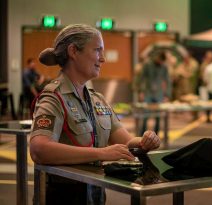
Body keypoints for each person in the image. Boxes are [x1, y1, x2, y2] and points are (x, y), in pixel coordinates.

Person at [29, 24, 161, 205]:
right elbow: (39, 149)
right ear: (73, 51)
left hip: (95, 192)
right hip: (63, 195)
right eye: (97, 50)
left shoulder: (97, 100)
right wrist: (101, 153)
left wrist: (145, 141)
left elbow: (125, 141)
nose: (103, 58)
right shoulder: (53, 97)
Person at [138, 51, 171, 136]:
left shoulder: (164, 67)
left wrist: (167, 95)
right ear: (157, 57)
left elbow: (167, 81)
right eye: (160, 60)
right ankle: (142, 134)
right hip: (148, 93)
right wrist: (141, 91)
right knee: (145, 115)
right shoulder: (147, 64)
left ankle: (156, 135)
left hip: (158, 94)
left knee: (158, 116)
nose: (160, 62)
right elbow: (141, 78)